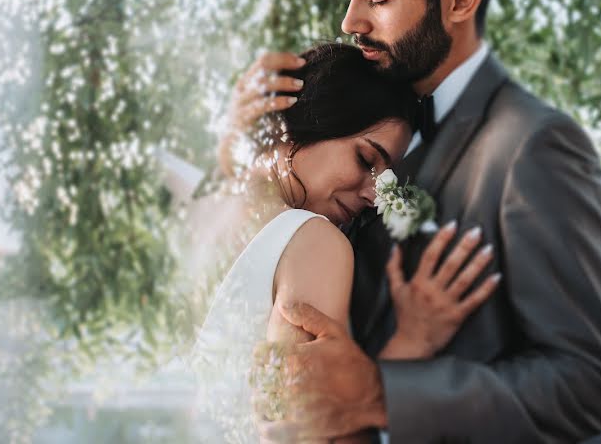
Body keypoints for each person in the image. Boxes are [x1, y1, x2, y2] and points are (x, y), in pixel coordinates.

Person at [227, 0, 601, 444]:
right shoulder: (359, 128)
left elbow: (590, 382)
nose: (350, 22)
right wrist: (245, 139)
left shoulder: (531, 145)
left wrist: (380, 393)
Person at [192, 43, 499, 442]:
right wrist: (410, 348)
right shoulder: (313, 243)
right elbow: (300, 431)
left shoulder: (206, 221)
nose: (374, 196)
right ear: (308, 118)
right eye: (365, 160)